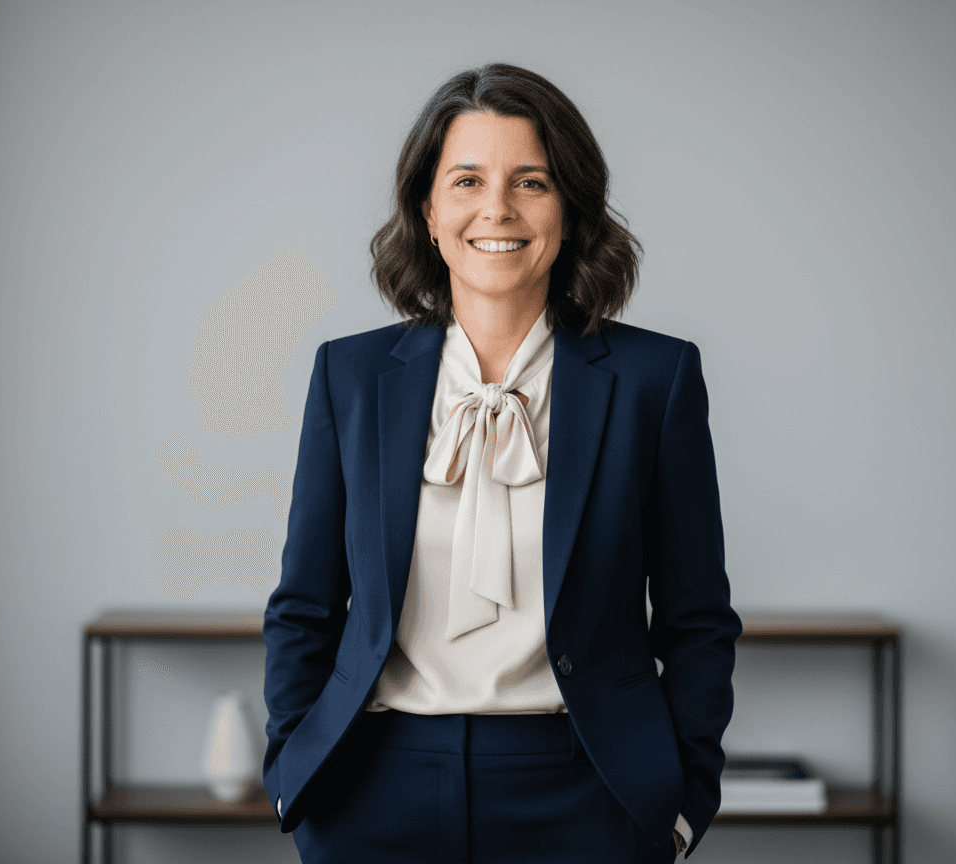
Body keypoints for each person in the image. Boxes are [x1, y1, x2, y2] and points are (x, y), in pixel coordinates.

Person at [262, 62, 741, 863]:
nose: (498, 209)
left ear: (570, 208)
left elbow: (697, 617)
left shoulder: (656, 381)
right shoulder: (349, 377)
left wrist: (685, 799)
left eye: (531, 182)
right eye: (467, 181)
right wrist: (291, 772)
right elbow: (304, 605)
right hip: (373, 790)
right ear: (429, 208)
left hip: (588, 791)